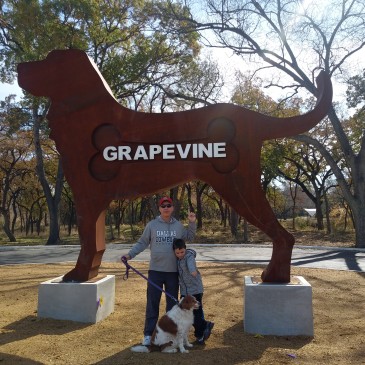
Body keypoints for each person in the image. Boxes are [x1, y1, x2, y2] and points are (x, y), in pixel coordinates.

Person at [122, 196, 196, 346]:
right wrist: (130, 255)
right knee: (152, 304)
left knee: (172, 307)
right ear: (160, 208)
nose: (166, 208)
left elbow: (190, 236)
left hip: (172, 273)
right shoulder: (152, 225)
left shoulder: (178, 226)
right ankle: (148, 335)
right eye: (164, 206)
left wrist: (192, 222)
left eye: (169, 205)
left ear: (172, 208)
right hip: (155, 271)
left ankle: (169, 336)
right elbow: (142, 242)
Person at [172, 238, 214, 345]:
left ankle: (201, 332)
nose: (180, 254)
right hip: (185, 292)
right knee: (189, 314)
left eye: (182, 252)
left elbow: (191, 264)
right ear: (174, 252)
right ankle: (203, 328)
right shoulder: (178, 259)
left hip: (195, 290)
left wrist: (192, 270)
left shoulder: (189, 256)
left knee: (196, 313)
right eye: (177, 253)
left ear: (185, 249)